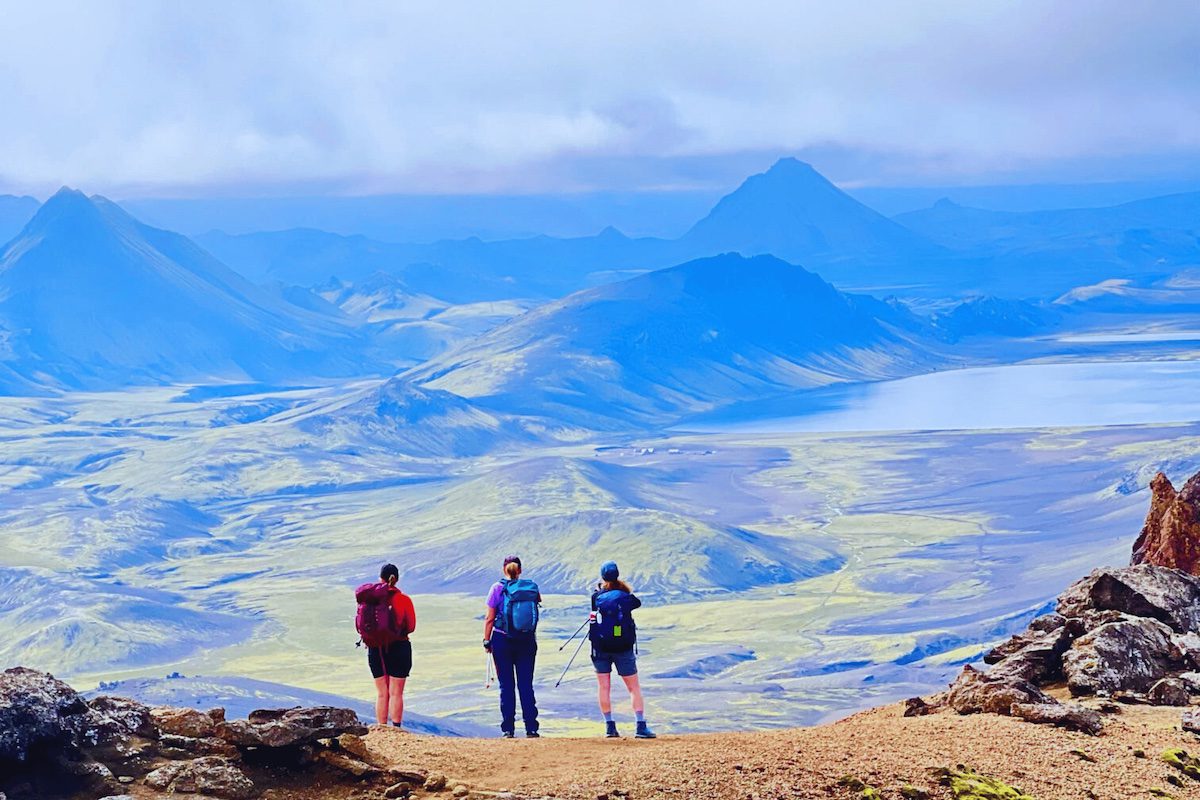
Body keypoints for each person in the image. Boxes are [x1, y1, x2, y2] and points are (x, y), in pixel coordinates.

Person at [589, 561, 655, 739]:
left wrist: (601, 590)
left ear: (603, 577)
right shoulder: (625, 596)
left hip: (600, 646)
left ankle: (610, 727)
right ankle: (640, 726)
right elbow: (637, 603)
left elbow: (595, 612)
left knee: (604, 687)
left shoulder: (596, 597)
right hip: (623, 647)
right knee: (633, 687)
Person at [483, 555, 541, 738]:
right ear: (520, 570)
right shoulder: (531, 588)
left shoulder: (497, 588)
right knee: (526, 684)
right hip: (527, 641)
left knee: (506, 686)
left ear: (504, 570)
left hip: (502, 641)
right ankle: (531, 728)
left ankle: (508, 729)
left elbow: (489, 618)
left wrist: (486, 640)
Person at [358, 563, 416, 727]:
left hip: (375, 648)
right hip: (399, 647)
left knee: (382, 693)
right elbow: (411, 626)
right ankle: (396, 728)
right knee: (396, 692)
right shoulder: (403, 600)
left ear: (380, 578)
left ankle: (382, 727)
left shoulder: (370, 600)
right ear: (396, 579)